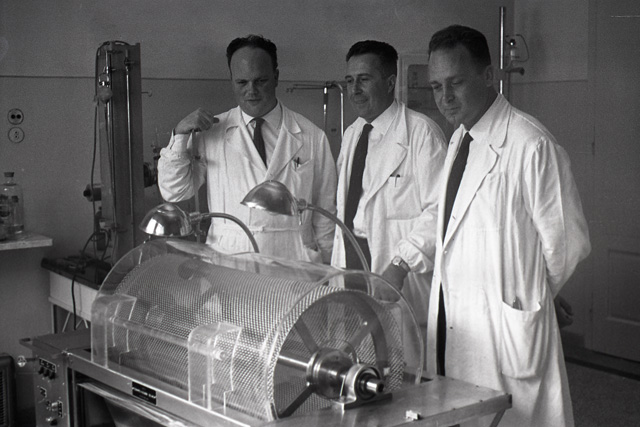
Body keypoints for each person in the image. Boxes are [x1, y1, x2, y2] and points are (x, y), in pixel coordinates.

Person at [425, 25, 590, 426]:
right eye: (435, 86)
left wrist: (532, 290)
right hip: (457, 318)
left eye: (456, 82)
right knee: (460, 411)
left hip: (508, 329)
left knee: (514, 417)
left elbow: (568, 244)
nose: (445, 97)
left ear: (488, 75)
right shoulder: (458, 140)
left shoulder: (531, 143)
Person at [158, 35, 337, 263]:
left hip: (293, 257)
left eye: (260, 81)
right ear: (231, 80)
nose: (251, 91)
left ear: (276, 77)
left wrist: (328, 269)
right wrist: (180, 135)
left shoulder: (311, 136)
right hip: (231, 257)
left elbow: (325, 211)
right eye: (242, 82)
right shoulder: (212, 132)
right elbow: (174, 191)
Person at [331, 40, 447, 333]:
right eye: (349, 81)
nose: (354, 89)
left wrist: (401, 263)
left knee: (401, 349)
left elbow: (441, 211)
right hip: (352, 258)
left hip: (398, 269)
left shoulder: (421, 133)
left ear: (390, 82)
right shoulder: (353, 133)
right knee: (358, 345)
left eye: (364, 80)